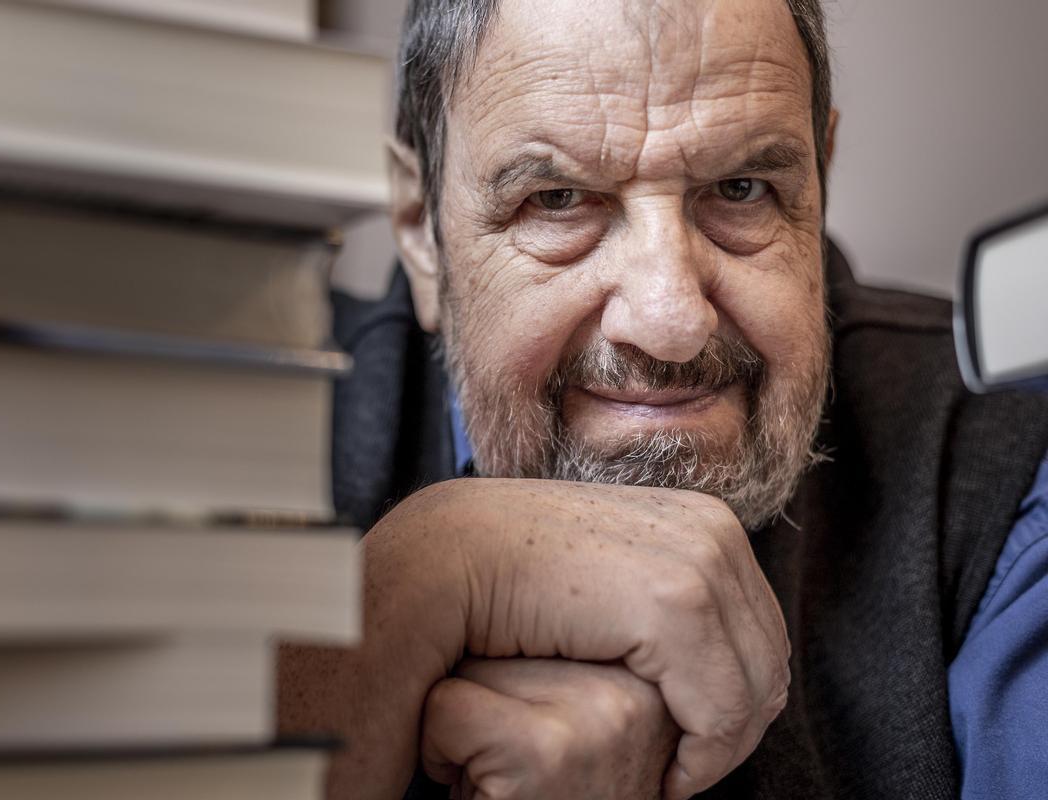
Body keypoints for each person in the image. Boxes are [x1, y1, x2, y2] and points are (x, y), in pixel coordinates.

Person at [279, 1, 1048, 798]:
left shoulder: (1003, 458)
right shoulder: (235, 428)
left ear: (819, 177)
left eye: (741, 188)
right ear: (419, 227)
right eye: (557, 198)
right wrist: (399, 600)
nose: (671, 322)